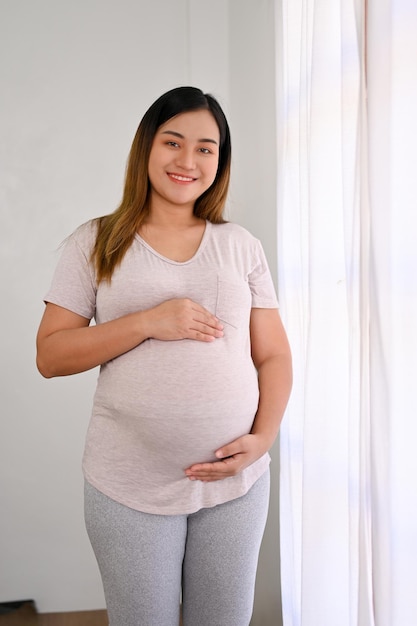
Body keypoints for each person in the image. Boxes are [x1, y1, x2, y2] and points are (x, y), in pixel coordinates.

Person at [36, 86, 292, 626]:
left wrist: (262, 439)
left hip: (234, 482)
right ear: (145, 147)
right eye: (172, 141)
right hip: (128, 483)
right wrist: (149, 321)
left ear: (220, 162)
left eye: (206, 148)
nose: (187, 160)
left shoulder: (241, 244)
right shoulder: (96, 242)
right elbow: (52, 355)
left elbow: (273, 356)